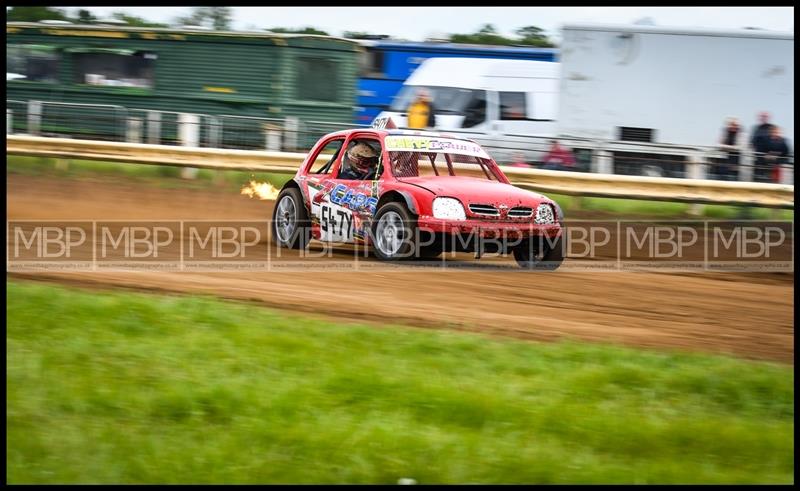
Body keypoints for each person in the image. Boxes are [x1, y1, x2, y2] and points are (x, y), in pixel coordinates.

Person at [750, 111, 777, 182]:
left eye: (765, 116)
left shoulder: (772, 127)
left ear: (768, 118)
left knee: (768, 177)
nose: (763, 118)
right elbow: (752, 141)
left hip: (769, 157)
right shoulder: (755, 128)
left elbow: (776, 141)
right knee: (757, 176)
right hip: (758, 156)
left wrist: (771, 153)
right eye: (762, 116)